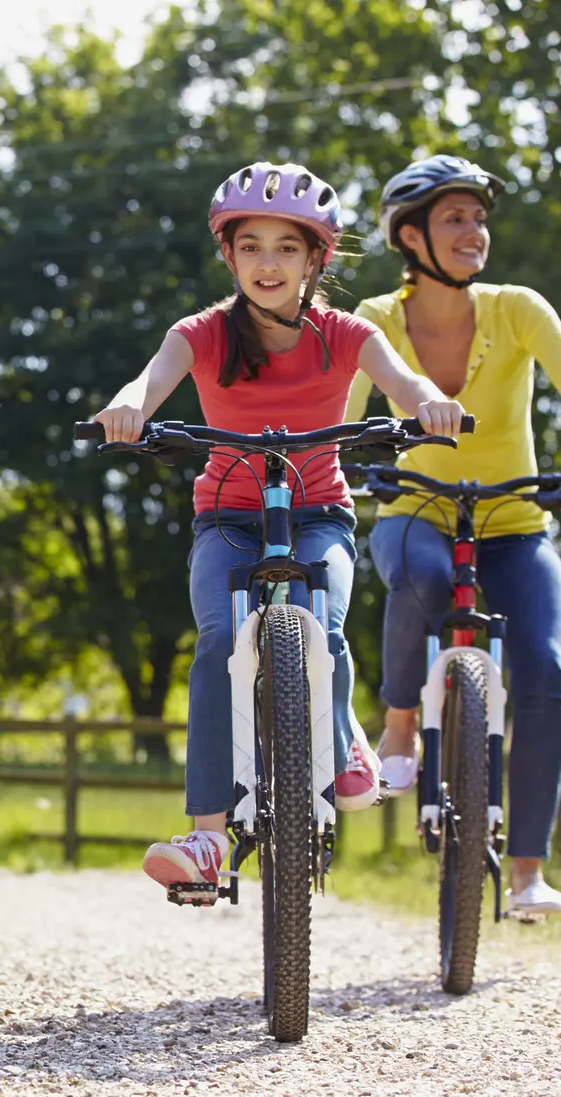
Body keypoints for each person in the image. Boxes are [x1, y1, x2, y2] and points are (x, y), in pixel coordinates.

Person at [89, 161, 467, 897]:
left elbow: (404, 380)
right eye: (252, 246)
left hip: (319, 510)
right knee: (220, 643)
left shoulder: (346, 334)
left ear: (315, 259)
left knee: (322, 618)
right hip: (226, 518)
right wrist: (125, 408)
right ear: (228, 255)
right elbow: (148, 380)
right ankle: (206, 836)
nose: (268, 262)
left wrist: (429, 403)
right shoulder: (200, 334)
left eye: (287, 248)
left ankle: (341, 735)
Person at [347, 153, 561, 916]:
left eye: (479, 218)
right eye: (455, 218)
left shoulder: (519, 308)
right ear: (410, 236)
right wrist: (332, 471)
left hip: (515, 522)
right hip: (415, 509)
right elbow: (342, 418)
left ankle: (526, 873)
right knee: (417, 576)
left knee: (544, 668)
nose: (474, 231)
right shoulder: (377, 321)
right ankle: (401, 727)